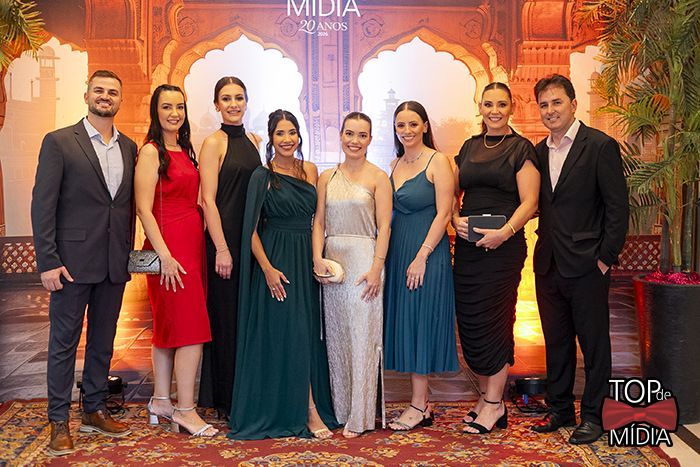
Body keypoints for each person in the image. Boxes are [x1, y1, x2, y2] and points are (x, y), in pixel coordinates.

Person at [31, 70, 136, 456]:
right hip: (70, 265)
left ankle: (93, 409)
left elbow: (124, 206)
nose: (106, 96)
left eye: (113, 92)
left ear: (120, 99)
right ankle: (58, 420)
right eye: (99, 90)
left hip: (113, 264)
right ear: (87, 95)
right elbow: (43, 204)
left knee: (103, 342)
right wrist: (48, 261)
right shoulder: (59, 141)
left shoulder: (129, 147)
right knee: (63, 343)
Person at [228, 110, 340, 440]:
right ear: (271, 138)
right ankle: (308, 411)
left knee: (306, 334)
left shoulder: (310, 170)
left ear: (299, 135)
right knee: (288, 335)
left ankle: (306, 405)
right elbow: (250, 231)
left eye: (292, 132)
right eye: (280, 133)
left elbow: (318, 220)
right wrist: (267, 269)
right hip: (276, 261)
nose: (287, 139)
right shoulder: (262, 176)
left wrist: (318, 258)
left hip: (305, 258)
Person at [530, 74, 628, 444]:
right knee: (556, 341)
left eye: (556, 102)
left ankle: (594, 416)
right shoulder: (538, 152)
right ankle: (559, 408)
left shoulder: (599, 146)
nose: (550, 110)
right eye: (544, 104)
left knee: (594, 344)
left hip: (588, 264)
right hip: (548, 263)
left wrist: (605, 258)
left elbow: (617, 207)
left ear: (573, 104)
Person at [452, 82, 540, 434]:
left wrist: (504, 232)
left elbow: (530, 202)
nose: (494, 111)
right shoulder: (469, 147)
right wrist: (453, 219)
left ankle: (494, 403)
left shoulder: (521, 148)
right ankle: (485, 397)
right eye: (488, 104)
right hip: (469, 249)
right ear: (480, 106)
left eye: (501, 104)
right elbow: (452, 193)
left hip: (503, 249)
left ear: (511, 107)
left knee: (497, 321)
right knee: (471, 321)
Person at [135, 84, 217, 437]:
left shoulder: (184, 150)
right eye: (167, 107)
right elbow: (143, 208)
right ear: (156, 111)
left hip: (190, 244)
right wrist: (164, 256)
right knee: (190, 329)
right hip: (168, 249)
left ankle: (161, 401)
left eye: (179, 106)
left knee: (169, 326)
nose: (174, 113)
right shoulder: (151, 152)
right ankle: (185, 410)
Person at [312, 112, 392, 438]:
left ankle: (360, 416)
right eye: (349, 133)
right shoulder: (326, 177)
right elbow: (319, 221)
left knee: (362, 339)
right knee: (337, 338)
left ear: (370, 139)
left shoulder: (379, 177)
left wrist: (376, 269)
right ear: (341, 135)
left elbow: (385, 226)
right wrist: (317, 259)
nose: (354, 141)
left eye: (361, 135)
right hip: (333, 265)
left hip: (364, 262)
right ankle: (342, 411)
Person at [384, 101, 459, 431]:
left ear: (425, 126)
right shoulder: (394, 163)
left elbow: (444, 214)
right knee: (408, 321)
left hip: (427, 254)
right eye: (401, 125)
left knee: (421, 322)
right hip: (400, 252)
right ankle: (421, 404)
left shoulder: (437, 161)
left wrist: (422, 255)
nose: (407, 130)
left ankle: (418, 405)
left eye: (413, 124)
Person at [198, 77, 261, 419]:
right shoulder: (213, 143)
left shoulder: (253, 140)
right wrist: (222, 248)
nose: (234, 104)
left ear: (246, 101)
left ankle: (248, 393)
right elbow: (208, 200)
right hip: (224, 242)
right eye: (226, 98)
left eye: (239, 97)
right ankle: (225, 399)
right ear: (216, 105)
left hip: (251, 242)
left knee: (246, 319)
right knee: (225, 321)